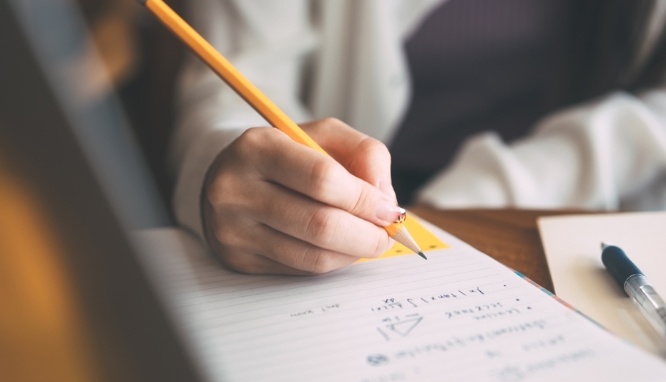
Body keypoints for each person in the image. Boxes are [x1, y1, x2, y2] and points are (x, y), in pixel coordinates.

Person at [169, 0, 666, 275]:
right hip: (342, 215)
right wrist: (232, 163)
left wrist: (499, 187)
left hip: (580, 217)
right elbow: (237, 76)